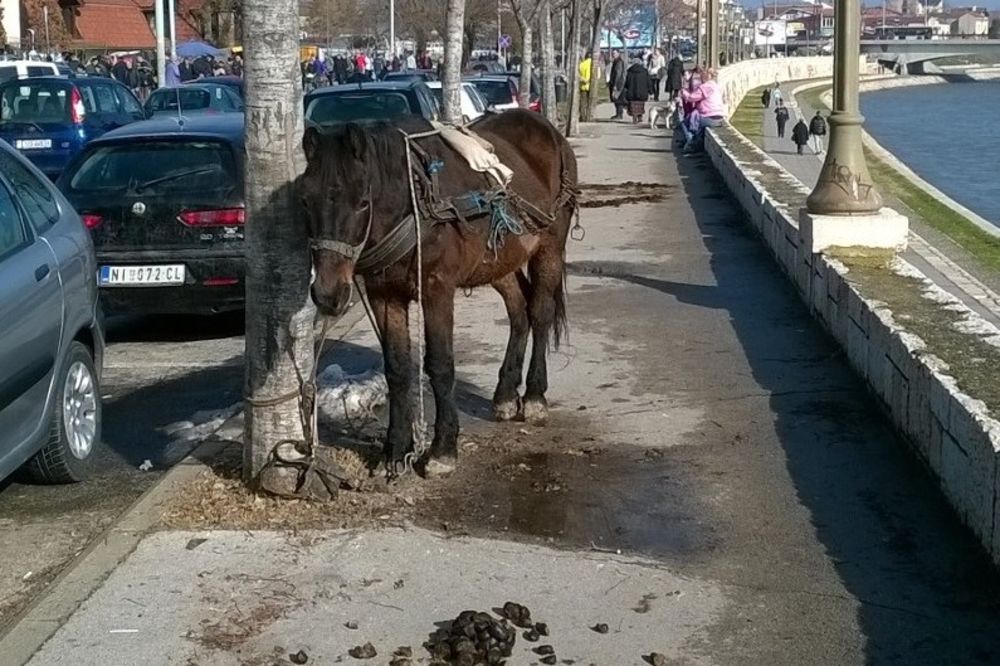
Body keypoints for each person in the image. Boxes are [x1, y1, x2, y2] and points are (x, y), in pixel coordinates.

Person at [679, 67, 726, 152]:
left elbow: (691, 97)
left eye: (702, 75)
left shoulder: (705, 87)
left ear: (706, 76)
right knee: (695, 122)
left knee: (685, 123)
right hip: (719, 117)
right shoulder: (715, 85)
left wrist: (683, 92)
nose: (700, 76)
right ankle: (694, 143)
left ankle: (691, 145)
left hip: (709, 117)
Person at [624, 57, 651, 124]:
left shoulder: (629, 71)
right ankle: (640, 116)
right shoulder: (644, 71)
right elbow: (648, 82)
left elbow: (627, 82)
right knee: (641, 105)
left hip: (632, 92)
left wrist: (626, 87)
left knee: (633, 105)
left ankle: (634, 117)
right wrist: (650, 90)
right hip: (642, 92)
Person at [608, 50, 626, 120]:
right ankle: (618, 113)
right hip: (615, 82)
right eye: (612, 53)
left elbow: (618, 74)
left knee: (617, 99)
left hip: (618, 83)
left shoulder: (619, 62)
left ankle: (619, 114)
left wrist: (615, 84)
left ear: (618, 54)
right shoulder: (616, 61)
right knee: (616, 99)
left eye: (614, 53)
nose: (613, 55)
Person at [578, 50, 593, 117]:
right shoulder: (594, 63)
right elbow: (598, 75)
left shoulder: (582, 64)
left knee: (583, 102)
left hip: (583, 86)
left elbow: (578, 75)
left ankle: (582, 116)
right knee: (590, 102)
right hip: (591, 86)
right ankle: (589, 115)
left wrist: (582, 79)